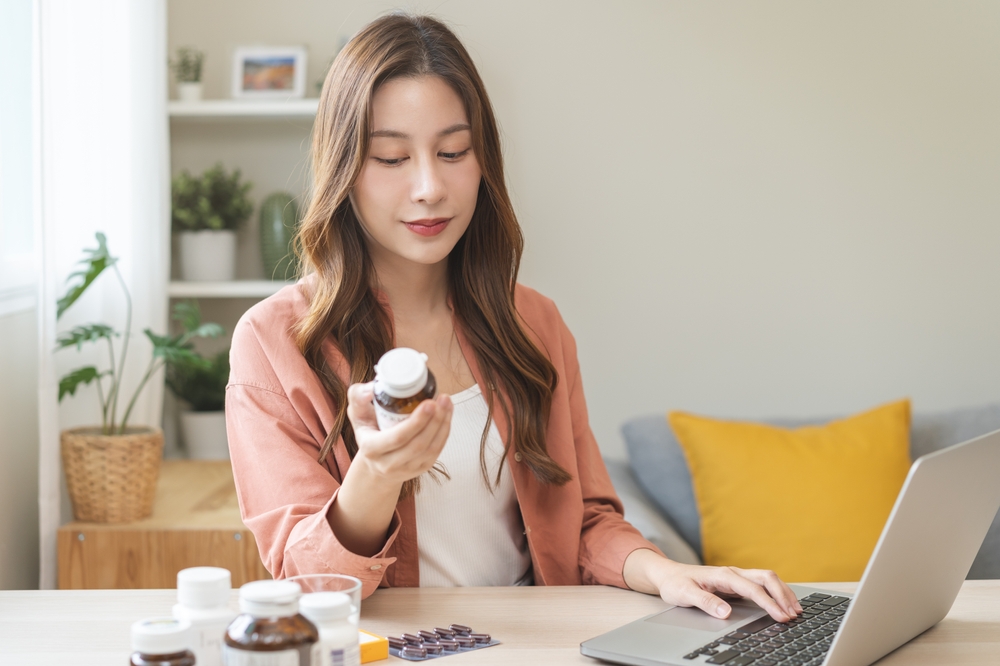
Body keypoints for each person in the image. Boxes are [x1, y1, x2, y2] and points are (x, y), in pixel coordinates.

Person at [226, 12, 802, 623]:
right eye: (391, 159)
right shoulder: (274, 342)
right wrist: (375, 473)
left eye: (452, 152)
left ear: (482, 161)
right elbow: (307, 581)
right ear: (344, 169)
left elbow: (584, 524)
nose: (429, 187)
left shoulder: (534, 325)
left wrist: (667, 571)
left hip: (535, 646)